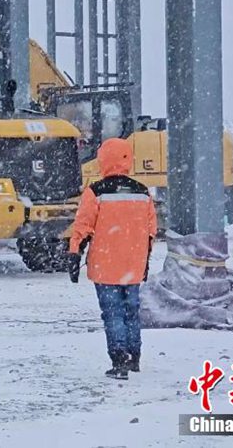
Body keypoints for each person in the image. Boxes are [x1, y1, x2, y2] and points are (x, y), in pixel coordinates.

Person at [68, 138, 157, 380]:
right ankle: (134, 356)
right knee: (131, 311)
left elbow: (82, 227)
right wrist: (144, 261)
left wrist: (74, 253)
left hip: (105, 266)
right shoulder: (143, 193)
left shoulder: (95, 192)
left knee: (112, 313)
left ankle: (119, 359)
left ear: (102, 160)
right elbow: (151, 231)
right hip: (133, 265)